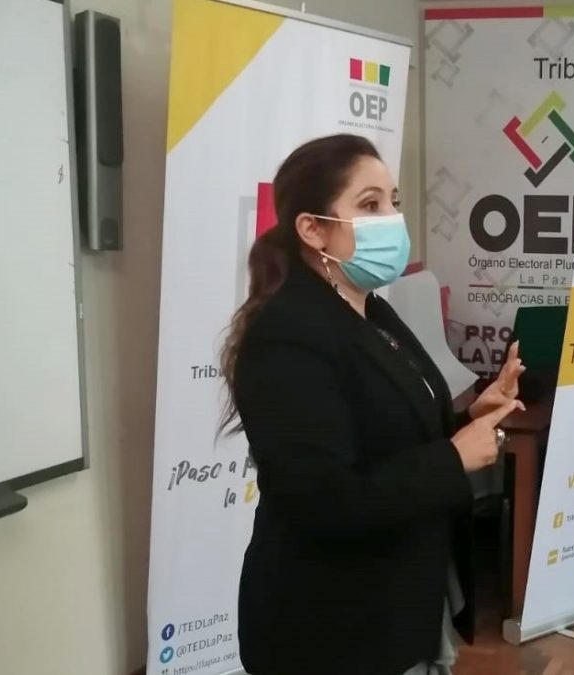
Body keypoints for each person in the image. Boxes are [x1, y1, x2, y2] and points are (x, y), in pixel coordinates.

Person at [220, 134, 525, 675]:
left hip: (403, 602)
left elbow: (388, 432)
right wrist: (453, 457)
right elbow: (323, 499)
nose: (392, 219)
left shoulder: (372, 311)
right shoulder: (286, 336)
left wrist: (469, 419)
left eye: (393, 201)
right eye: (369, 204)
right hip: (331, 629)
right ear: (312, 229)